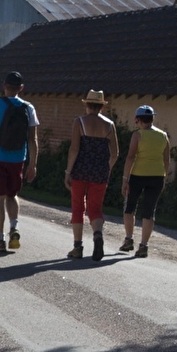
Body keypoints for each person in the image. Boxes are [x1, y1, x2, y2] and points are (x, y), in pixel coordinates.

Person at [0, 71, 40, 253]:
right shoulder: (29, 108)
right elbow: (32, 139)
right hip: (18, 159)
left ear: (4, 85)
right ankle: (14, 226)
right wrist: (33, 164)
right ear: (21, 88)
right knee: (12, 195)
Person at [63, 90, 120, 260]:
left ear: (87, 105)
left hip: (80, 170)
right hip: (100, 172)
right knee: (95, 208)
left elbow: (74, 149)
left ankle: (78, 246)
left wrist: (68, 171)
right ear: (102, 106)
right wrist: (107, 168)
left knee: (78, 207)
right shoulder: (109, 125)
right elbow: (115, 153)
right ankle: (97, 235)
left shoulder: (79, 122)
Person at [120, 104, 171, 258]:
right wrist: (164, 176)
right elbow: (166, 159)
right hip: (157, 177)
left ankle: (129, 239)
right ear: (152, 119)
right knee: (149, 211)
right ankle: (144, 246)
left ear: (138, 120)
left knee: (130, 207)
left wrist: (125, 179)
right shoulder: (163, 136)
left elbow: (130, 157)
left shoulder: (137, 135)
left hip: (137, 175)